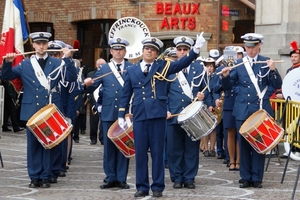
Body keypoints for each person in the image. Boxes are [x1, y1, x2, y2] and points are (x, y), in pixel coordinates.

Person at [117, 33, 206, 198]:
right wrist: (121, 114)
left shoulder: (163, 66)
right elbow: (126, 93)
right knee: (141, 153)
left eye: (152, 50)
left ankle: (157, 186)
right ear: (142, 51)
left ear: (157, 53)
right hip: (140, 114)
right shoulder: (132, 70)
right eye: (146, 49)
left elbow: (181, 63)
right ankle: (142, 186)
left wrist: (196, 49)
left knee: (158, 153)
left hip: (157, 114)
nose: (149, 52)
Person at [1, 32, 77, 188]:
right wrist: (7, 62)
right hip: (32, 110)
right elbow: (7, 76)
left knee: (48, 143)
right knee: (33, 145)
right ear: (33, 45)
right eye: (38, 43)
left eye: (44, 43)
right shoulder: (25, 64)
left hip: (49, 109)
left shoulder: (56, 63)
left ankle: (45, 176)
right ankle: (34, 176)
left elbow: (71, 78)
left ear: (47, 45)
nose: (41, 46)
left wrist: (68, 59)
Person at [221, 33, 282, 188]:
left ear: (259, 46)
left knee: (259, 145)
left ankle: (257, 177)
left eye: (253, 47)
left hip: (260, 109)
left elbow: (275, 84)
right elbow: (229, 87)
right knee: (244, 144)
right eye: (247, 47)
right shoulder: (239, 64)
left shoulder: (265, 62)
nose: (250, 50)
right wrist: (226, 77)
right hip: (242, 109)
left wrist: (273, 71)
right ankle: (245, 177)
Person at [84, 37, 132, 190]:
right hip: (109, 113)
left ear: (125, 51)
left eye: (121, 49)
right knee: (109, 147)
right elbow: (93, 87)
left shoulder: (132, 68)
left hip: (126, 114)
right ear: (111, 51)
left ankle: (122, 178)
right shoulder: (104, 69)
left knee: (124, 146)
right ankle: (110, 177)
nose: (118, 51)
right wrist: (86, 85)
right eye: (115, 49)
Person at [166, 36, 205, 189]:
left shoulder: (199, 68)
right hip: (174, 115)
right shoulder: (169, 69)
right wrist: (166, 110)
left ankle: (189, 177)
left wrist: (203, 96)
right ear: (176, 51)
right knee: (174, 149)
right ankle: (176, 177)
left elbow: (206, 89)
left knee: (191, 148)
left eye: (185, 50)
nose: (182, 52)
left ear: (190, 51)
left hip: (192, 116)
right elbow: (163, 93)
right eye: (180, 49)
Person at [87, 58, 106, 145]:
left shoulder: (108, 73)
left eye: (103, 64)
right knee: (93, 122)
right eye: (99, 64)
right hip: (94, 100)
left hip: (104, 100)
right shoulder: (91, 74)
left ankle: (102, 138)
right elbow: (89, 87)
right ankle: (93, 138)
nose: (101, 66)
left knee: (103, 122)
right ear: (96, 65)